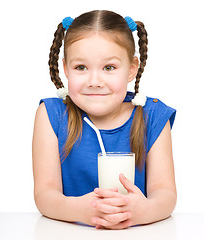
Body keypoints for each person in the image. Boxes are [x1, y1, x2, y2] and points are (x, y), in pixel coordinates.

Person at [32, 10, 177, 230]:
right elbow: (45, 194)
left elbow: (165, 194)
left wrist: (141, 211)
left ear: (131, 69)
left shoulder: (153, 116)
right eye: (81, 67)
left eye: (109, 68)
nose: (95, 81)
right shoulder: (52, 115)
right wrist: (81, 210)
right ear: (66, 69)